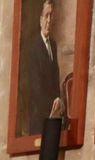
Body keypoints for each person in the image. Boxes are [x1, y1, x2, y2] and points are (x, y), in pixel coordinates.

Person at [17, 0, 65, 136]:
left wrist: (58, 101)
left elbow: (55, 78)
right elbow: (36, 88)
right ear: (40, 20)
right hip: (39, 119)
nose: (49, 20)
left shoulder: (53, 46)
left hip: (52, 117)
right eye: (46, 16)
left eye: (51, 16)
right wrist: (52, 104)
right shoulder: (33, 48)